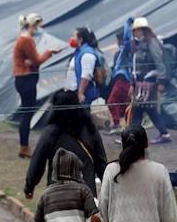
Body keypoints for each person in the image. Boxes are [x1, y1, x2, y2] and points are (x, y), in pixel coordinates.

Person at [23, 89, 108, 198]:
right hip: (86, 196)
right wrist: (107, 190)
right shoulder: (90, 129)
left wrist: (29, 187)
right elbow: (101, 163)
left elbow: (37, 163)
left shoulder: (50, 133)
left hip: (57, 196)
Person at [12, 13, 57, 158]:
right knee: (27, 113)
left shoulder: (22, 38)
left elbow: (32, 60)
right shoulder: (26, 40)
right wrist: (49, 53)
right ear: (32, 25)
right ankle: (24, 146)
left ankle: (24, 146)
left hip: (22, 78)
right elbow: (36, 60)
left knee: (27, 112)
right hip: (26, 79)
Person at [129, 17, 172, 143]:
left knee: (144, 109)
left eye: (138, 30)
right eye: (135, 30)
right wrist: (133, 83)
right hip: (140, 83)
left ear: (144, 30)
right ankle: (163, 134)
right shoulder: (138, 45)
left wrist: (161, 81)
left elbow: (159, 62)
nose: (136, 33)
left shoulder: (152, 42)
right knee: (143, 110)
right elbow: (136, 66)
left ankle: (134, 136)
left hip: (149, 83)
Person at [107, 19, 135, 133]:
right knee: (125, 104)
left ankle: (118, 125)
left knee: (112, 101)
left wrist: (127, 24)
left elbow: (127, 40)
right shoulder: (125, 52)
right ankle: (123, 126)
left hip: (123, 81)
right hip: (126, 81)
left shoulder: (125, 51)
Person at [65, 27, 102, 107]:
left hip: (85, 96)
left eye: (73, 36)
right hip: (76, 93)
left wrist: (81, 92)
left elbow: (87, 75)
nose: (71, 38)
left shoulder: (87, 54)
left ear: (80, 39)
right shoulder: (79, 52)